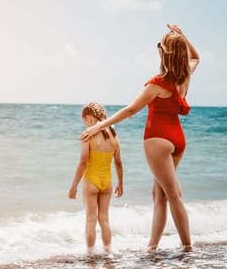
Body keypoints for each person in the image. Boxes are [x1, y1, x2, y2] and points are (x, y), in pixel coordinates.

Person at [80, 24, 199, 253]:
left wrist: (99, 127)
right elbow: (196, 57)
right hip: (178, 139)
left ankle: (187, 247)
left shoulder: (157, 84)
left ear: (164, 53)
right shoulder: (185, 77)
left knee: (173, 195)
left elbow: (130, 110)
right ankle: (152, 247)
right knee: (159, 194)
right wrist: (183, 37)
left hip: (158, 140)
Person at [69, 102, 123, 256]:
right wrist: (121, 183)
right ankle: (108, 252)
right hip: (107, 182)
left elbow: (83, 162)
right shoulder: (113, 134)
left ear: (89, 118)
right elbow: (118, 162)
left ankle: (90, 254)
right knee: (104, 220)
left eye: (84, 120)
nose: (85, 123)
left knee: (91, 220)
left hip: (91, 181)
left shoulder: (88, 134)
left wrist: (74, 186)